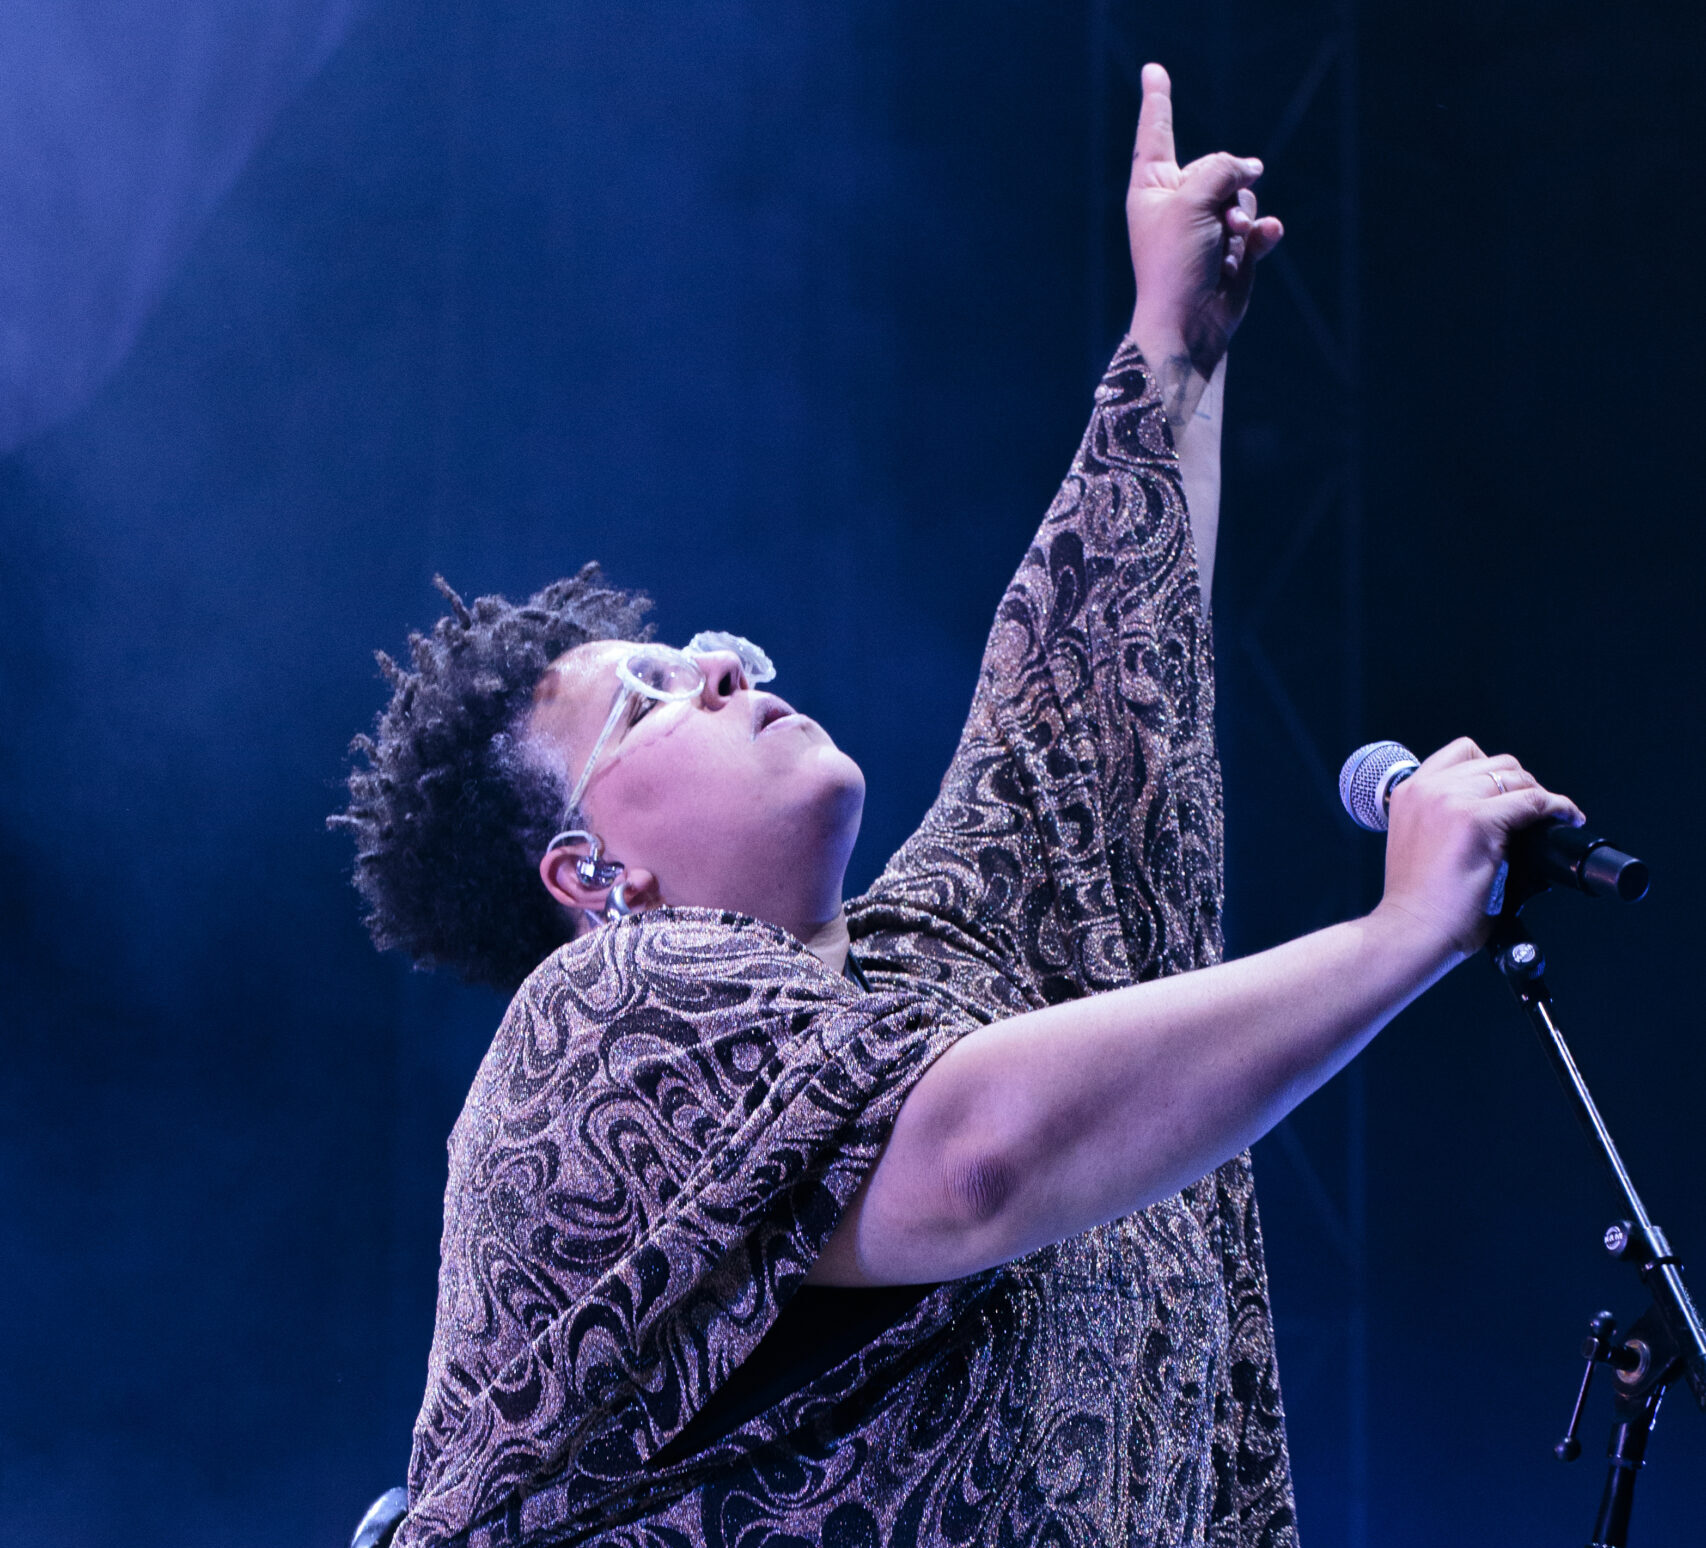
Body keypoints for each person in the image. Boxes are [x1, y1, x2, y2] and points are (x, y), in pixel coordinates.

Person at [333, 65, 1580, 1548]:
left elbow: (1092, 714)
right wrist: (1397, 936)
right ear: (591, 876)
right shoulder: (596, 1016)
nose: (721, 667)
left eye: (699, 651)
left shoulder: (936, 973)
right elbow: (975, 1156)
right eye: (648, 698)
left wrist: (1170, 347)